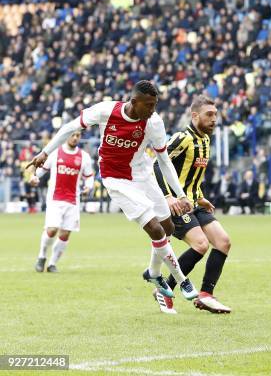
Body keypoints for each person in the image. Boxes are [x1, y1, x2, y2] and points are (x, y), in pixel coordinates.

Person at [27, 80, 198, 301]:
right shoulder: (106, 110)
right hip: (116, 179)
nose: (152, 110)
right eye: (148, 105)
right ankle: (182, 280)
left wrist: (181, 194)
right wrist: (45, 153)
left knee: (168, 227)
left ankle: (153, 273)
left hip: (142, 173)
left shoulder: (154, 122)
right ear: (134, 102)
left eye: (155, 105)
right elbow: (71, 127)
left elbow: (163, 161)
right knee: (155, 229)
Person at [153, 95, 232, 314]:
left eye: (215, 114)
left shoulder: (206, 140)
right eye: (209, 115)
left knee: (223, 242)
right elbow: (157, 166)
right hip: (177, 205)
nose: (214, 119)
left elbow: (191, 177)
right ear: (195, 115)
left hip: (193, 202)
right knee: (200, 245)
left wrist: (199, 197)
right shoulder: (182, 138)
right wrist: (168, 197)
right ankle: (165, 288)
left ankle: (206, 295)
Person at [30, 131, 94, 273]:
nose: (75, 138)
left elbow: (89, 176)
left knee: (65, 234)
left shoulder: (84, 157)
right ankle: (41, 256)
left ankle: (52, 264)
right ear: (67, 136)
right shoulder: (55, 153)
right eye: (73, 135)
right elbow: (42, 170)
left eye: (78, 135)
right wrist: (35, 177)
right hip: (55, 199)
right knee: (52, 230)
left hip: (73, 200)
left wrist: (88, 187)